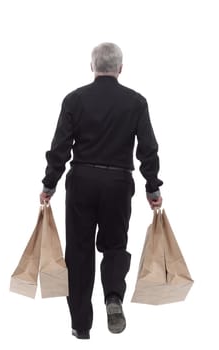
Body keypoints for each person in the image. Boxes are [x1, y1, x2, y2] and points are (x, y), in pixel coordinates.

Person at [40, 42, 163, 339]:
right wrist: (152, 187)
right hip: (119, 183)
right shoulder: (136, 102)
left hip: (81, 180)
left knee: (79, 252)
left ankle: (81, 326)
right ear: (120, 68)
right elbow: (148, 149)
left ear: (92, 66)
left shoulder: (74, 100)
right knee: (114, 246)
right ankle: (112, 297)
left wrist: (49, 183)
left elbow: (60, 147)